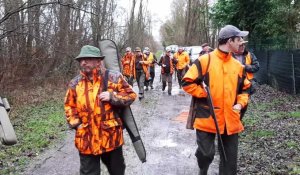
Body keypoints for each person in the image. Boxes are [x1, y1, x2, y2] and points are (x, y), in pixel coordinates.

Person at [182, 25, 251, 175]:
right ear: (229, 41)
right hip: (207, 116)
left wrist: (240, 103)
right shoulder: (204, 61)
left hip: (230, 119)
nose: (241, 42)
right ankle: (203, 166)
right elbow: (187, 83)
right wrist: (205, 94)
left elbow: (245, 89)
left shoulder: (238, 66)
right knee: (206, 155)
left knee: (230, 162)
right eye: (238, 39)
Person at [64, 45, 137, 175]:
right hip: (86, 139)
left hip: (111, 137)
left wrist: (112, 96)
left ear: (98, 61)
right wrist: (77, 124)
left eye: (87, 59)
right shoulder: (75, 83)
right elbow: (69, 106)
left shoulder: (113, 77)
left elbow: (131, 95)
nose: (83, 62)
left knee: (117, 171)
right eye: (81, 60)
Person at [233, 38, 260, 119]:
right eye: (240, 45)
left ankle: (239, 120)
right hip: (233, 85)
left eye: (243, 45)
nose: (243, 46)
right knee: (234, 104)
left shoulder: (249, 55)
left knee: (244, 105)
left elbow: (256, 67)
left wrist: (245, 67)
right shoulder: (229, 55)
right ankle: (234, 121)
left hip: (247, 86)